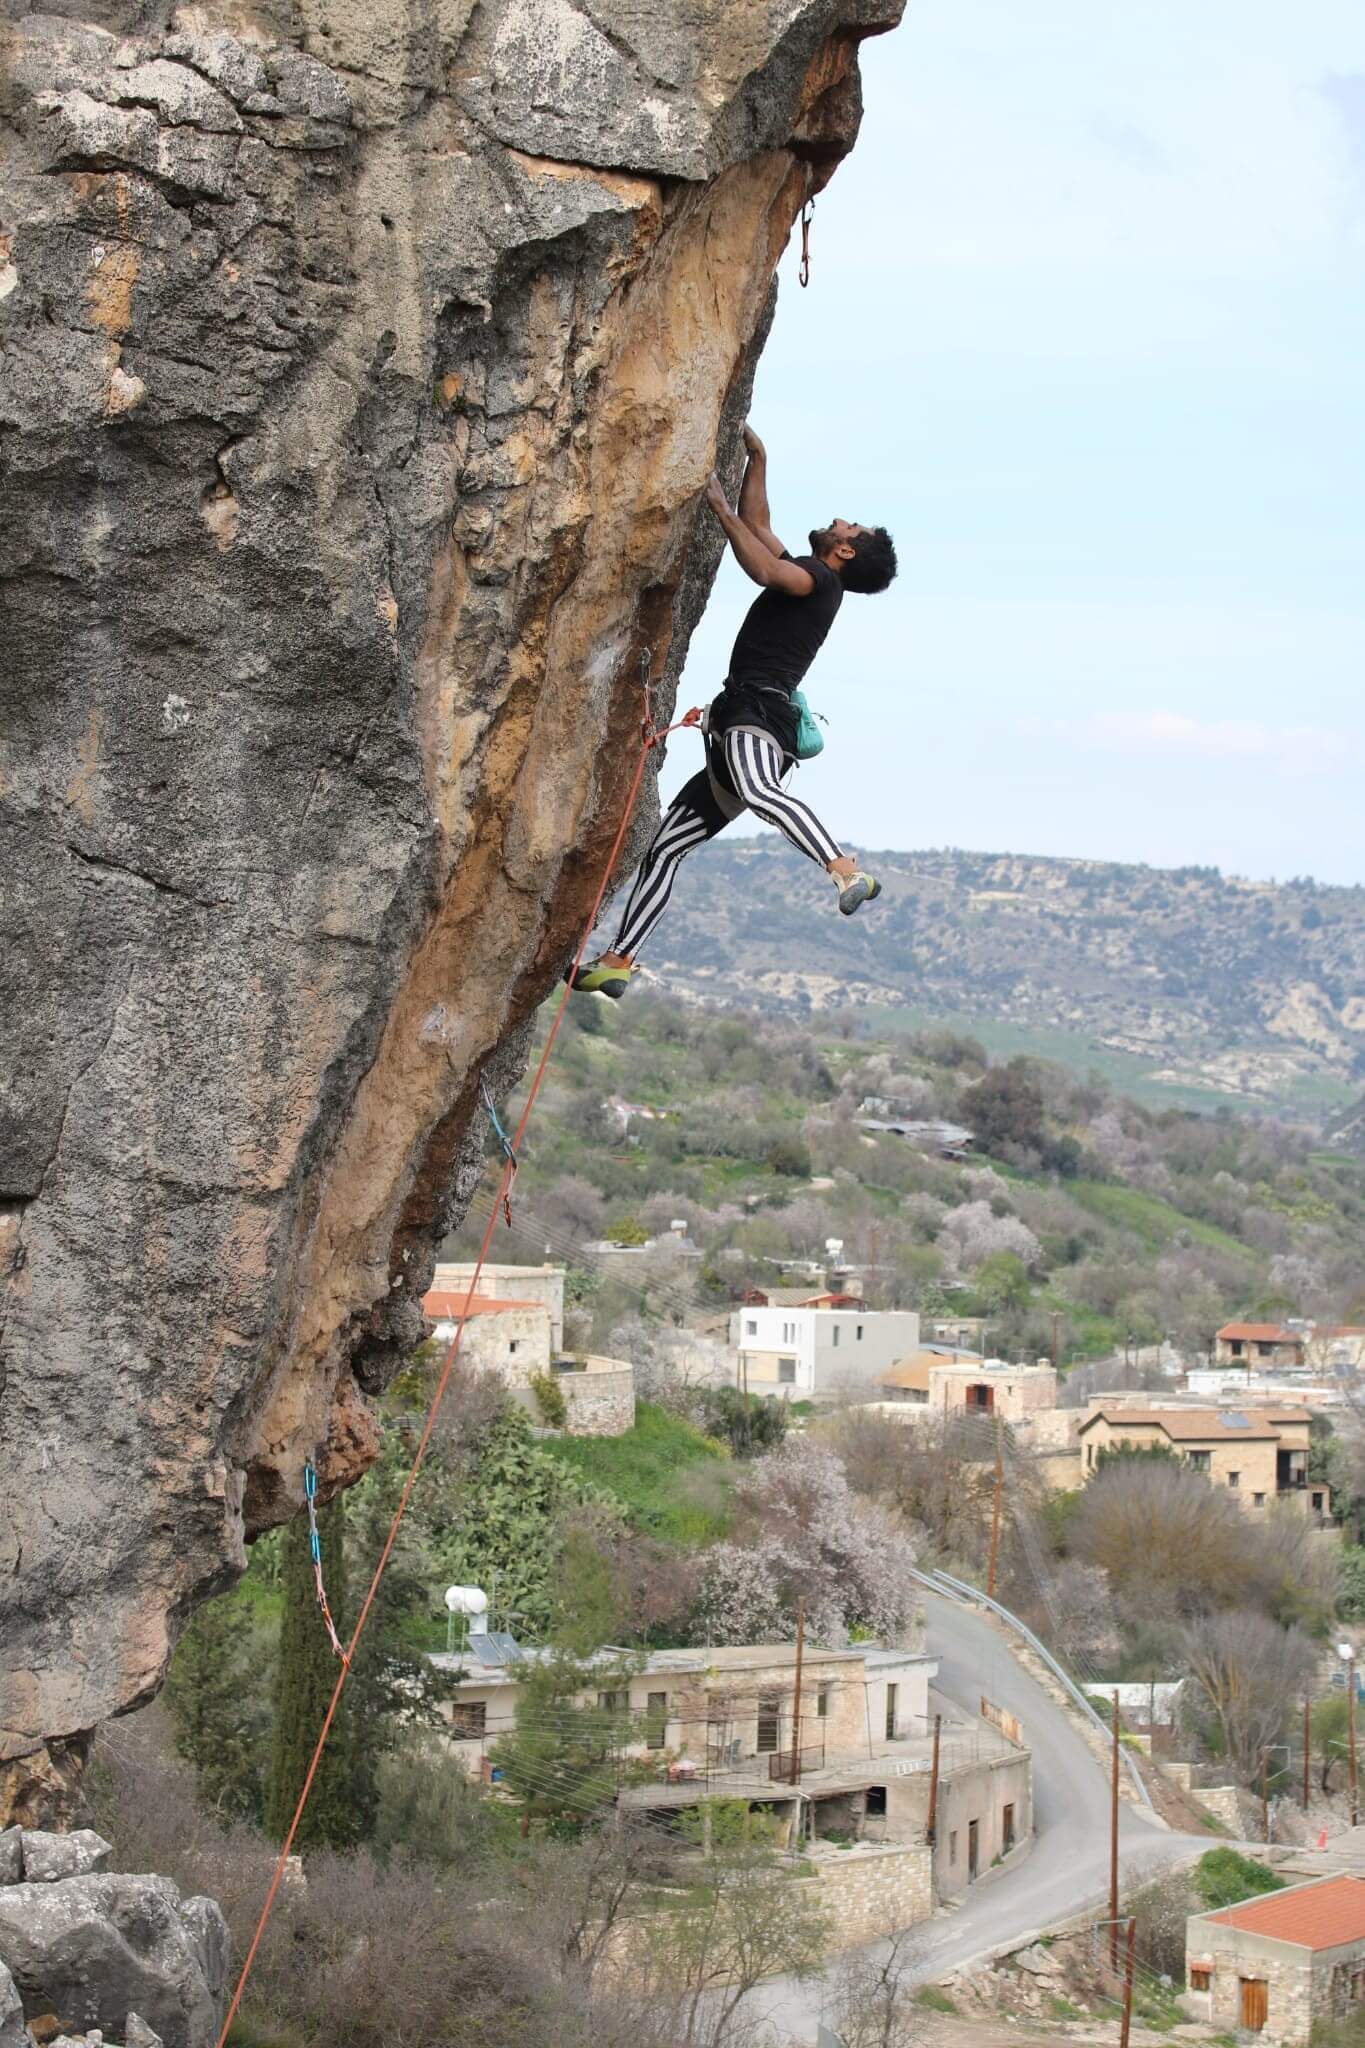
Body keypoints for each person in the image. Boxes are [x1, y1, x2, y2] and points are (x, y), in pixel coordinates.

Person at [570, 423, 898, 999]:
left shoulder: (819, 580)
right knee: (667, 848)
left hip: (757, 715)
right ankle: (621, 959)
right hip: (734, 722)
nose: (840, 521)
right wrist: (758, 457)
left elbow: (762, 564)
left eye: (851, 528)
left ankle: (844, 869)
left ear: (845, 552)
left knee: (759, 789)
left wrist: (718, 509)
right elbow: (761, 529)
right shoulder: (812, 573)